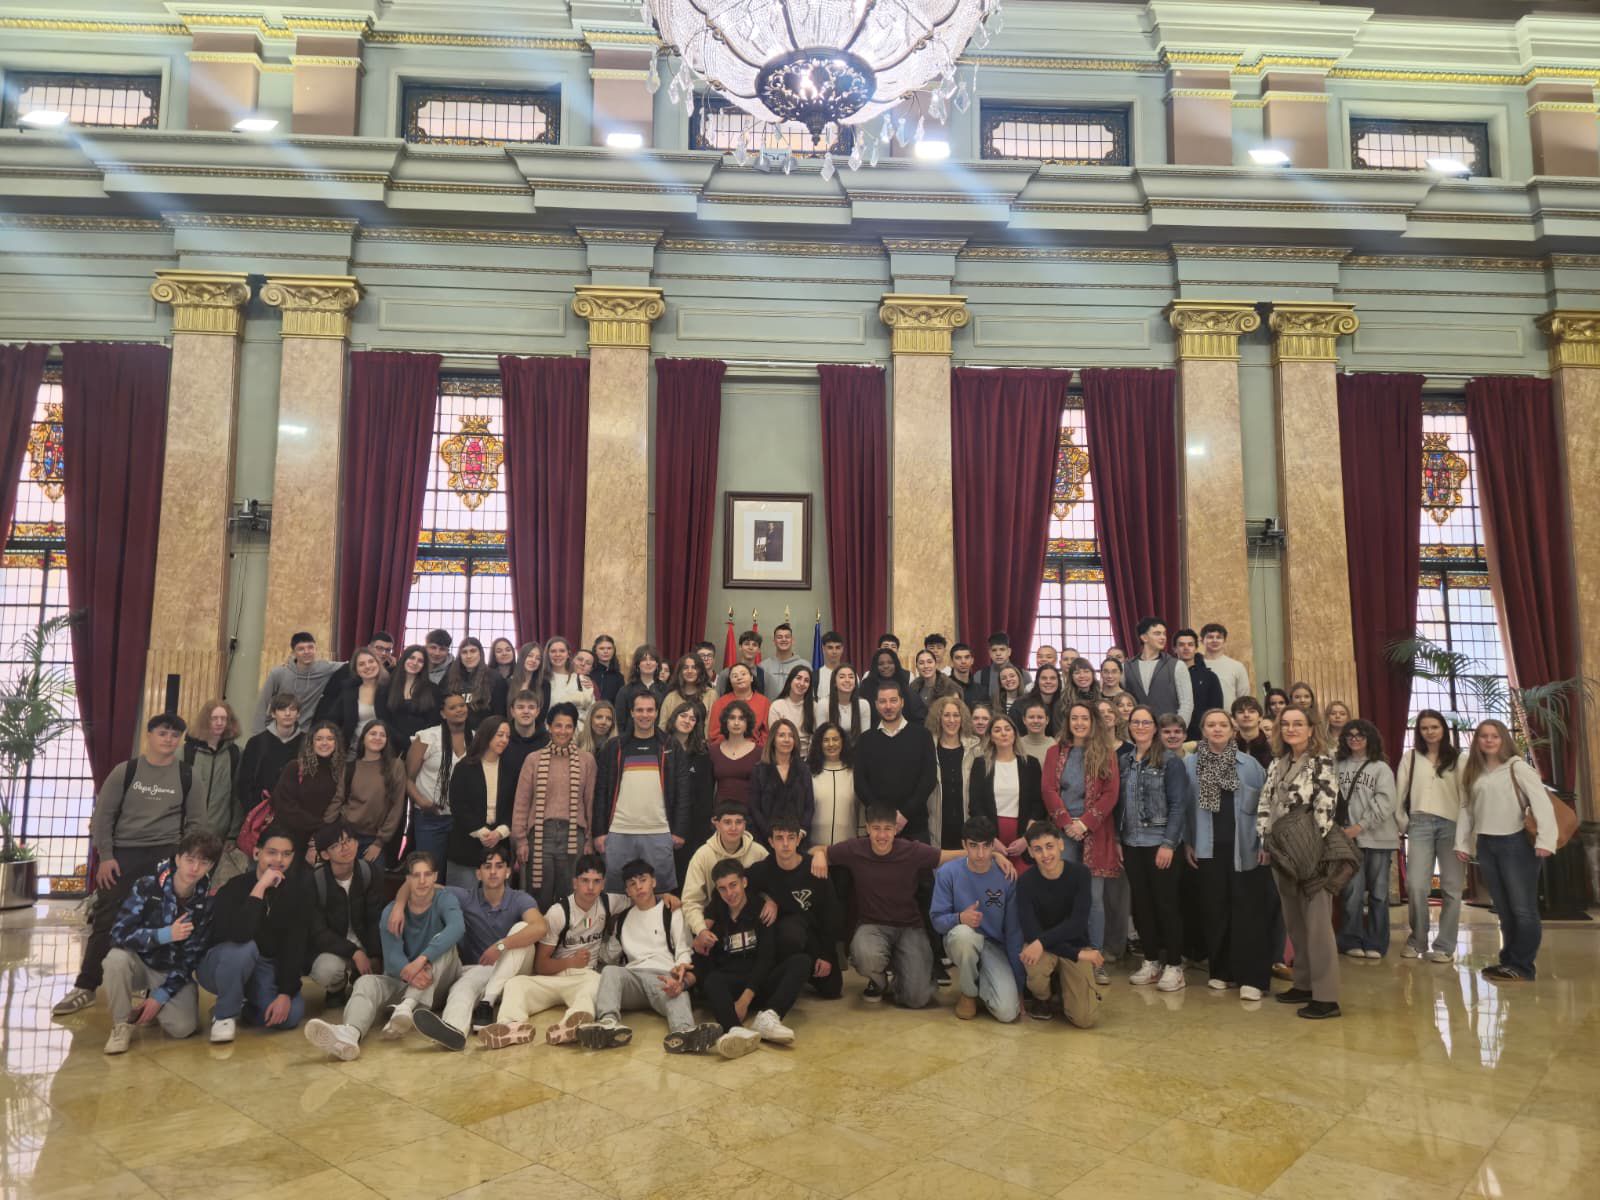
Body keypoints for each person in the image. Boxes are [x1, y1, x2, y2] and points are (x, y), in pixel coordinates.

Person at [54, 714, 206, 1017]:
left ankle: (155, 991)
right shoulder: (126, 771)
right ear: (148, 736)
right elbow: (103, 818)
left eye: (175, 736)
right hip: (124, 855)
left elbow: (196, 825)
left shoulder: (188, 776)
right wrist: (106, 856)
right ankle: (86, 986)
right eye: (162, 733)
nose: (168, 740)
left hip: (167, 855)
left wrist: (183, 864)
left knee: (164, 920)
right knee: (107, 920)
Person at [304, 850, 464, 1059]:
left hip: (440, 983)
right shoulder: (392, 912)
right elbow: (393, 958)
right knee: (365, 982)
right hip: (407, 979)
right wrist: (411, 970)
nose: (422, 881)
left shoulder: (445, 899)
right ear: (407, 880)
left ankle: (407, 1007)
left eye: (427, 875)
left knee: (445, 947)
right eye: (416, 875)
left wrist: (421, 961)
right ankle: (350, 1034)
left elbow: (457, 928)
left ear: (435, 877)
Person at [809, 806, 965, 1008]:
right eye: (876, 828)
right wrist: (821, 854)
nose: (882, 835)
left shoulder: (911, 850)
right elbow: (815, 850)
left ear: (895, 830)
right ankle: (879, 980)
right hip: (872, 926)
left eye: (887, 829)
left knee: (917, 999)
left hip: (910, 927)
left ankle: (905, 977)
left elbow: (946, 856)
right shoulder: (855, 848)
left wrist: (992, 855)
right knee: (865, 956)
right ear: (867, 828)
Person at [408, 843, 546, 1050]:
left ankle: (487, 1001)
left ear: (508, 871)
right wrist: (398, 906)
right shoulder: (466, 897)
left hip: (516, 970)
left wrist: (500, 946)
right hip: (480, 970)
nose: (493, 871)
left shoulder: (520, 899)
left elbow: (540, 927)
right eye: (487, 866)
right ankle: (453, 1030)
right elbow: (422, 886)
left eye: (499, 866)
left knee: (522, 928)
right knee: (462, 987)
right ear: (478, 873)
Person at [577, 858, 723, 1053]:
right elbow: (609, 955)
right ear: (627, 891)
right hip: (633, 979)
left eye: (643, 880)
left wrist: (680, 970)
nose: (639, 887)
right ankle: (608, 1024)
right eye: (632, 884)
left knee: (677, 988)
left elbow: (683, 948)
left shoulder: (671, 911)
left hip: (662, 977)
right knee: (611, 971)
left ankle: (685, 1033)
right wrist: (584, 942)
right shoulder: (623, 919)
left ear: (653, 882)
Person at [100, 830, 222, 1054]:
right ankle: (121, 1025)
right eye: (189, 860)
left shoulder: (206, 904)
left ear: (210, 866)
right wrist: (164, 934)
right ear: (178, 858)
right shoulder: (148, 886)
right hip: (138, 961)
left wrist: (161, 995)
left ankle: (152, 1002)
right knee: (115, 960)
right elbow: (118, 933)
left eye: (203, 863)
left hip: (169, 970)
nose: (194, 868)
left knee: (183, 1028)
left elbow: (191, 958)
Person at [1258, 706, 1343, 1018]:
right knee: (1295, 921)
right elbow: (1266, 802)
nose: (1291, 729)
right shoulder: (1279, 762)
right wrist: (1265, 840)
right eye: (1286, 724)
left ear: (1311, 729)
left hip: (1311, 851)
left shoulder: (1322, 761)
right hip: (1281, 851)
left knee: (1318, 924)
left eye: (1298, 724)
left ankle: (1326, 996)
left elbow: (1326, 806)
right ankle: (1304, 983)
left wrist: (1311, 847)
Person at [1456, 719, 1555, 983]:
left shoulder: (1517, 767)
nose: (1489, 740)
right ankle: (1508, 961)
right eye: (1483, 736)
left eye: (1495, 736)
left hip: (1516, 844)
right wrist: (1462, 842)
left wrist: (1546, 839)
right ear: (1477, 741)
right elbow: (1466, 809)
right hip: (1487, 845)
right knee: (1504, 908)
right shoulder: (1473, 771)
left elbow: (1541, 804)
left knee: (1523, 909)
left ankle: (1523, 966)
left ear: (1503, 740)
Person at [1185, 710, 1272, 1000]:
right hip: (1208, 849)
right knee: (1214, 911)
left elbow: (1265, 808)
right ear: (1203, 730)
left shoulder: (1250, 766)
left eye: (1223, 724)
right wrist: (1187, 842)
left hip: (1244, 849)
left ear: (1233, 729)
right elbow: (1184, 808)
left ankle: (1250, 976)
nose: (1217, 729)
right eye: (1211, 725)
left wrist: (1265, 844)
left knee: (1246, 913)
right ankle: (1220, 971)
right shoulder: (1190, 764)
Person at [488, 853, 614, 1047]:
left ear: (603, 883)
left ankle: (572, 1025)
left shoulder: (609, 902)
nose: (590, 887)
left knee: (597, 982)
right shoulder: (558, 912)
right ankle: (510, 1026)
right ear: (574, 882)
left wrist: (665, 897)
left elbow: (641, 898)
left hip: (583, 978)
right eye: (585, 881)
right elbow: (541, 965)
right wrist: (571, 961)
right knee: (516, 983)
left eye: (596, 881)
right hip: (554, 977)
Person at [200, 825, 309, 1042]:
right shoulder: (234, 887)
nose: (279, 860)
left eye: (286, 854)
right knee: (245, 948)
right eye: (272, 852)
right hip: (223, 962)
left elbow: (294, 945)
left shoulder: (295, 892)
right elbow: (239, 934)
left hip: (262, 966)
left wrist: (285, 994)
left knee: (291, 1015)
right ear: (257, 852)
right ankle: (224, 1015)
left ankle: (247, 1009)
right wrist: (260, 888)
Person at [694, 858, 809, 1058]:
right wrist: (700, 942)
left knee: (801, 962)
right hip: (731, 983)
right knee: (713, 980)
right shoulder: (716, 913)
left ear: (744, 882)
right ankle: (736, 1031)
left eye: (733, 885)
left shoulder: (761, 909)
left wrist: (745, 1000)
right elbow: (705, 957)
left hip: (760, 982)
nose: (730, 893)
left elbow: (766, 958)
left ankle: (769, 1018)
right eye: (723, 889)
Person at [1041, 701, 1120, 984]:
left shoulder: (1105, 753)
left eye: (1084, 718)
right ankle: (1068, 954)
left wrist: (1085, 822)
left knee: (1094, 899)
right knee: (1065, 896)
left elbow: (1111, 793)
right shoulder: (1055, 752)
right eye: (1074, 718)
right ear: (1068, 722)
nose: (1079, 723)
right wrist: (1066, 823)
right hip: (1063, 833)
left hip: (1095, 832)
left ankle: (1096, 956)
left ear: (1092, 722)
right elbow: (1048, 789)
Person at [1119, 705, 1190, 992]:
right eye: (1135, 722)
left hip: (1159, 843)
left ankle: (1174, 965)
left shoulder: (1170, 761)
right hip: (1131, 843)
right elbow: (1119, 804)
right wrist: (1117, 839)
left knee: (1166, 905)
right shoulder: (1124, 761)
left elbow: (1178, 805)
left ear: (1155, 728)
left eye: (1146, 722)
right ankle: (1151, 961)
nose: (1140, 726)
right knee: (1142, 906)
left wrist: (1168, 844)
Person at [592, 691, 690, 892]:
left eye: (649, 710)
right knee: (616, 893)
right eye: (639, 710)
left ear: (656, 713)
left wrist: (679, 830)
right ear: (631, 713)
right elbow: (601, 792)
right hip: (619, 831)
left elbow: (683, 792)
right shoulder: (615, 746)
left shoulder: (670, 746)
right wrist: (599, 832)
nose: (644, 715)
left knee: (660, 893)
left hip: (659, 831)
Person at [931, 816, 1023, 1022]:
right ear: (964, 845)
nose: (980, 854)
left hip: (993, 947)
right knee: (965, 936)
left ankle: (982, 981)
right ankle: (968, 994)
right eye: (973, 846)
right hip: (959, 940)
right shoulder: (947, 873)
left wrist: (1019, 988)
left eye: (986, 846)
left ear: (993, 845)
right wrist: (960, 918)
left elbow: (1014, 932)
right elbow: (937, 921)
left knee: (1008, 1013)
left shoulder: (1007, 876)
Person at [1016, 820, 1104, 1028]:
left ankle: (1065, 987)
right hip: (1047, 949)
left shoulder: (1080, 874)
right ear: (1029, 852)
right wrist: (1079, 955)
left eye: (1049, 847)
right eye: (1038, 850)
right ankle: (1043, 997)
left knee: (1085, 1020)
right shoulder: (1025, 882)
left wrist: (1045, 943)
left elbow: (1077, 924)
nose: (1045, 855)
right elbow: (1031, 931)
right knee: (1034, 963)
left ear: (1061, 845)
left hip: (1071, 943)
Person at [511, 701, 596, 910]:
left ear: (575, 728)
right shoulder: (534, 759)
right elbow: (521, 802)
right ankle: (538, 938)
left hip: (573, 836)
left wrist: (589, 840)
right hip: (541, 835)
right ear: (549, 726)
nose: (563, 731)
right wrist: (520, 840)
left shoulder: (587, 761)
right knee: (539, 894)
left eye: (568, 726)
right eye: (558, 725)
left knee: (570, 893)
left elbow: (590, 803)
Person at [749, 817, 843, 1000]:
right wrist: (766, 899)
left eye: (791, 838)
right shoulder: (762, 869)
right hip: (785, 937)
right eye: (779, 838)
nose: (785, 844)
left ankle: (804, 972)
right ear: (770, 842)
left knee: (833, 989)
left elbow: (831, 915)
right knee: (790, 934)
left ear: (798, 840)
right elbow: (742, 889)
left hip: (813, 935)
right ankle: (789, 975)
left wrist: (826, 955)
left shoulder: (815, 867)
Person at [1397, 709, 1464, 963]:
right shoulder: (1410, 757)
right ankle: (1418, 940)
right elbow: (1400, 793)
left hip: (1452, 825)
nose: (1429, 732)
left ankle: (1445, 945)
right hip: (1420, 824)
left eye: (1434, 727)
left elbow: (1467, 797)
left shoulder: (1459, 758)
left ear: (1443, 729)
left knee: (1452, 888)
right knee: (1415, 885)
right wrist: (1403, 823)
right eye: (1424, 728)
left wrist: (1466, 832)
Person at [1334, 719, 1400, 960]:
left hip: (1378, 839)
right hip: (1347, 839)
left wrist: (1360, 826)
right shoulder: (1337, 765)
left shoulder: (1380, 768)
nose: (1355, 739)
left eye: (1360, 735)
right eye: (1350, 735)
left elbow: (1385, 802)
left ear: (1370, 738)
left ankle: (1376, 941)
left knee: (1379, 893)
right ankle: (1350, 939)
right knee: (1351, 892)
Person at [305, 822, 385, 1005]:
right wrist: (354, 952)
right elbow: (318, 932)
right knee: (327, 971)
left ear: (357, 843)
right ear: (325, 854)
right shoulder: (315, 881)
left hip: (365, 943)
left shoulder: (369, 872)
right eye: (336, 845)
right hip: (333, 948)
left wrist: (375, 955)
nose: (345, 847)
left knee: (386, 968)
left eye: (349, 840)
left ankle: (360, 978)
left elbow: (375, 919)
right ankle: (336, 988)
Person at [853, 679, 937, 843]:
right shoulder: (865, 740)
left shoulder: (921, 736)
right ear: (876, 705)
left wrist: (904, 815)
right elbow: (860, 784)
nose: (888, 706)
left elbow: (928, 779)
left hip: (915, 826)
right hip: (879, 829)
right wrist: (884, 818)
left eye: (893, 700)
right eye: (883, 701)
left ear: (902, 702)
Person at [681, 804, 771, 950]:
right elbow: (691, 901)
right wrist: (701, 930)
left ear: (745, 824)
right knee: (709, 953)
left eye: (738, 822)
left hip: (752, 921)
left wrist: (771, 901)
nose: (733, 828)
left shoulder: (759, 853)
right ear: (716, 824)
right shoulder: (702, 856)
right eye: (727, 822)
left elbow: (773, 885)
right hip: (716, 922)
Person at [968, 714, 1045, 871]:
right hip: (991, 835)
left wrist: (1027, 839)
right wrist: (991, 839)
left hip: (1023, 835)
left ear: (1015, 734)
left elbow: (1039, 805)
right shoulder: (980, 764)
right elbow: (975, 805)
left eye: (1007, 729)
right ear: (991, 737)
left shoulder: (1030, 764)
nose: (1003, 733)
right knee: (993, 887)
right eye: (997, 730)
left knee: (1021, 885)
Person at [447, 716, 517, 888]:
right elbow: (458, 805)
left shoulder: (511, 768)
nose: (504, 740)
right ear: (487, 734)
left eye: (507, 736)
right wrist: (482, 832)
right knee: (464, 901)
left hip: (500, 844)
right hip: (467, 845)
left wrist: (500, 832)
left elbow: (515, 805)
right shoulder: (465, 767)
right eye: (500, 735)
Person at [406, 694, 470, 878]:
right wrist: (422, 802)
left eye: (462, 705)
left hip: (461, 821)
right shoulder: (427, 737)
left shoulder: (475, 738)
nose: (459, 709)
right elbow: (407, 778)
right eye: (453, 707)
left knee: (458, 878)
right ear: (443, 713)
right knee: (430, 874)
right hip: (431, 818)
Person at [271, 721, 345, 863]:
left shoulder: (340, 772)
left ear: (337, 743)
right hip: (288, 839)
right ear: (310, 742)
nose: (324, 743)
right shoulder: (295, 767)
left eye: (330, 739)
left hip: (319, 842)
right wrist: (320, 826)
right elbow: (285, 806)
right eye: (319, 739)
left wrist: (321, 835)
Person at [332, 721, 405, 865]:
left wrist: (379, 842)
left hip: (374, 840)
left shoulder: (395, 766)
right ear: (363, 738)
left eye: (382, 735)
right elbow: (337, 800)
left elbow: (396, 807)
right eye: (373, 733)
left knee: (372, 883)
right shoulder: (350, 767)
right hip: (346, 835)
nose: (377, 738)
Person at [252, 632, 345, 733]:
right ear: (293, 653)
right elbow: (263, 704)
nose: (307, 651)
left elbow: (352, 665)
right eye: (301, 649)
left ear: (316, 649)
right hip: (279, 732)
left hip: (306, 733)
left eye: (310, 647)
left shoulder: (325, 668)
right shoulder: (279, 673)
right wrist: (258, 734)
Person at [668, 700, 716, 882]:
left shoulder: (702, 754)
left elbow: (705, 795)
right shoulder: (661, 747)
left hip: (693, 827)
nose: (687, 720)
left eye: (693, 718)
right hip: (663, 822)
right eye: (683, 715)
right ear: (674, 717)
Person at [184, 700, 243, 846]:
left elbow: (237, 796)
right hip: (186, 832)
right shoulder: (186, 752)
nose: (219, 722)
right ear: (205, 720)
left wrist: (233, 834)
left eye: (223, 719)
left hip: (218, 835)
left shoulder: (236, 754)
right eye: (214, 718)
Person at [749, 718, 814, 842]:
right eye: (781, 735)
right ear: (773, 740)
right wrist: (770, 834)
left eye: (791, 736)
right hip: (766, 839)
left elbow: (809, 806)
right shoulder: (759, 770)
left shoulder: (804, 769)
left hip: (797, 840)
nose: (787, 740)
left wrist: (802, 831)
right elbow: (754, 807)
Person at [928, 695, 979, 851]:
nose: (952, 720)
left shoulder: (975, 748)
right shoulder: (928, 748)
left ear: (962, 718)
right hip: (936, 826)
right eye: (947, 715)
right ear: (939, 718)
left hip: (967, 825)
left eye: (956, 715)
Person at [239, 694, 303, 817]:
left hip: (294, 815)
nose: (288, 713)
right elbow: (244, 783)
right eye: (282, 709)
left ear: (298, 714)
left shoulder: (307, 742)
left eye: (292, 709)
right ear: (273, 714)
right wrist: (254, 811)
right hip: (260, 813)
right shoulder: (256, 742)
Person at [1124, 618, 1193, 732]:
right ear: (1144, 637)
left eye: (1164, 634)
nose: (1163, 637)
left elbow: (1187, 703)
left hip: (1167, 733)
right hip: (1136, 733)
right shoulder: (1127, 667)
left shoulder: (1177, 665)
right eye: (1157, 633)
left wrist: (1177, 730)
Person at [808, 723, 858, 845]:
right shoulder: (809, 772)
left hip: (848, 845)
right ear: (819, 743)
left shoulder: (854, 771)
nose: (831, 744)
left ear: (843, 741)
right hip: (815, 847)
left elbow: (860, 807)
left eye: (835, 739)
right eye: (826, 740)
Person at [442, 637, 507, 731]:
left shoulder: (495, 678)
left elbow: (499, 714)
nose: (469, 656)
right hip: (455, 734)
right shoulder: (449, 677)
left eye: (473, 651)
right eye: (464, 652)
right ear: (460, 655)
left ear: (480, 653)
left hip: (484, 735)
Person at [332, 646, 390, 751]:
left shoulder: (390, 689)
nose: (367, 666)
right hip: (354, 748)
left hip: (383, 748)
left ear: (378, 663)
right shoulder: (349, 691)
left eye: (371, 661)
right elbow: (334, 719)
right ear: (356, 670)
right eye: (361, 664)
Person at [386, 644, 439, 751]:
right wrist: (402, 740)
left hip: (421, 746)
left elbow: (434, 721)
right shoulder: (388, 686)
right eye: (412, 658)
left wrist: (418, 742)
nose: (415, 663)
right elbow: (383, 718)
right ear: (404, 659)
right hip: (391, 744)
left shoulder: (433, 689)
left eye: (420, 661)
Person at [710, 700, 761, 813]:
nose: (736, 723)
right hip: (720, 816)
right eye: (732, 718)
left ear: (748, 722)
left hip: (750, 816)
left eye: (741, 718)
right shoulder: (713, 751)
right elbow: (707, 789)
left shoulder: (759, 752)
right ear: (725, 722)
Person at [1172, 629, 1223, 742]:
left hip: (1201, 736)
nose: (1186, 648)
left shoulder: (1209, 677)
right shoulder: (1168, 674)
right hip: (1173, 732)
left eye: (1190, 644)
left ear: (1196, 648)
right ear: (1174, 649)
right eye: (1181, 645)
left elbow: (1216, 709)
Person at [709, 663, 770, 746]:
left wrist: (755, 749)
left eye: (743, 674)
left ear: (751, 678)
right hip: (726, 750)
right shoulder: (720, 703)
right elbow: (714, 735)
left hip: (756, 751)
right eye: (735, 676)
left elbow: (767, 733)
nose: (739, 678)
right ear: (730, 681)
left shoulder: (764, 702)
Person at [863, 648, 926, 725]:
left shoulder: (904, 685)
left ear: (896, 664)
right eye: (881, 664)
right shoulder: (866, 687)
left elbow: (919, 716)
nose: (886, 666)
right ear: (875, 666)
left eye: (890, 662)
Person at [613, 644, 668, 734]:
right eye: (644, 660)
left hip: (660, 741)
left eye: (652, 659)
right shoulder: (625, 691)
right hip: (631, 741)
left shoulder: (666, 690)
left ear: (657, 664)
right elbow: (620, 723)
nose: (648, 663)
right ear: (637, 664)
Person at [500, 689, 550, 786]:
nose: (526, 711)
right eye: (520, 707)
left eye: (531, 707)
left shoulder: (548, 742)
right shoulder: (502, 738)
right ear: (512, 711)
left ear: (537, 711)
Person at [541, 636, 595, 725]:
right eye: (553, 651)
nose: (557, 654)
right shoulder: (541, 680)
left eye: (562, 651)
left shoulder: (581, 680)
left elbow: (592, 711)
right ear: (547, 654)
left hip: (578, 733)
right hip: (548, 733)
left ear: (568, 654)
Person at [768, 664, 817, 758]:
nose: (802, 683)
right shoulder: (777, 706)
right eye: (798, 678)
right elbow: (775, 738)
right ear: (790, 680)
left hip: (807, 759)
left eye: (806, 681)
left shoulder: (814, 707)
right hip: (782, 757)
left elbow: (815, 739)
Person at [1199, 623, 1251, 709]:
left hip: (1229, 718)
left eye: (1219, 637)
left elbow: (1243, 698)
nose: (1214, 640)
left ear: (1224, 641)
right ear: (1202, 641)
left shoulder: (1237, 666)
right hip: (1201, 718)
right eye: (1210, 637)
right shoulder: (1195, 666)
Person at [814, 663, 871, 740]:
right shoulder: (824, 704)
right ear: (834, 682)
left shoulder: (863, 704)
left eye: (851, 677)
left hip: (857, 749)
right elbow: (821, 737)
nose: (847, 680)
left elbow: (866, 738)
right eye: (842, 677)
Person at [659, 654, 710, 733]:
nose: (690, 671)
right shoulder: (671, 697)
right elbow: (662, 727)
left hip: (702, 743)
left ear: (700, 671)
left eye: (694, 667)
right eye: (685, 668)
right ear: (680, 671)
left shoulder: (711, 695)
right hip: (674, 743)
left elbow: (712, 727)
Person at [1010, 664, 1064, 737]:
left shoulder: (1065, 704)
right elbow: (1014, 732)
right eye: (1044, 678)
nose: (1048, 681)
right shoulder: (1020, 704)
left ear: (1058, 681)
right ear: (1037, 681)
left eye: (1053, 678)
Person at [976, 632, 1030, 705]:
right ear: (989, 653)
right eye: (994, 650)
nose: (998, 653)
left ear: (1009, 652)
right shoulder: (980, 676)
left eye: (1002, 649)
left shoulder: (1023, 674)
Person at [715, 630, 767, 696]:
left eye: (754, 645)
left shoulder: (765, 676)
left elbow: (769, 704)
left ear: (759, 650)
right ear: (740, 647)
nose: (750, 648)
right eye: (747, 644)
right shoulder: (725, 674)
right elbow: (718, 701)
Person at [763, 622, 806, 700]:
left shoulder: (804, 666)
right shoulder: (763, 667)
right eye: (779, 637)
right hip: (770, 711)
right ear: (774, 641)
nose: (783, 639)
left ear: (792, 640)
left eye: (787, 637)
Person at [1231, 695, 1273, 768]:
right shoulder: (1228, 749)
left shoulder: (1272, 748)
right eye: (1241, 712)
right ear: (1235, 719)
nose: (1246, 715)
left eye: (1252, 711)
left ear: (1260, 717)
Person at [909, 648, 956, 714]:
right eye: (921, 663)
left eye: (929, 662)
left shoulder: (949, 688)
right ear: (917, 667)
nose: (926, 666)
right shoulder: (912, 689)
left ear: (936, 664)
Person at [1016, 701, 1055, 766]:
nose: (1035, 721)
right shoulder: (1017, 745)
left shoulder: (1055, 745)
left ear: (1047, 720)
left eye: (1040, 717)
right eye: (1031, 717)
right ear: (1024, 720)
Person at [589, 634, 624, 703]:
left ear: (614, 651)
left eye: (609, 648)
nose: (606, 651)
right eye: (601, 648)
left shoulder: (619, 677)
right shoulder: (589, 673)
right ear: (595, 650)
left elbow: (620, 702)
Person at [815, 630, 846, 699]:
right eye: (830, 648)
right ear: (823, 648)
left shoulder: (851, 676)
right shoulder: (815, 677)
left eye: (837, 648)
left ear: (842, 649)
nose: (834, 652)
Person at [949, 642, 981, 707]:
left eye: (967, 657)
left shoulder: (981, 691)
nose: (963, 661)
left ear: (972, 660)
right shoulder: (943, 688)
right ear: (951, 661)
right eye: (958, 658)